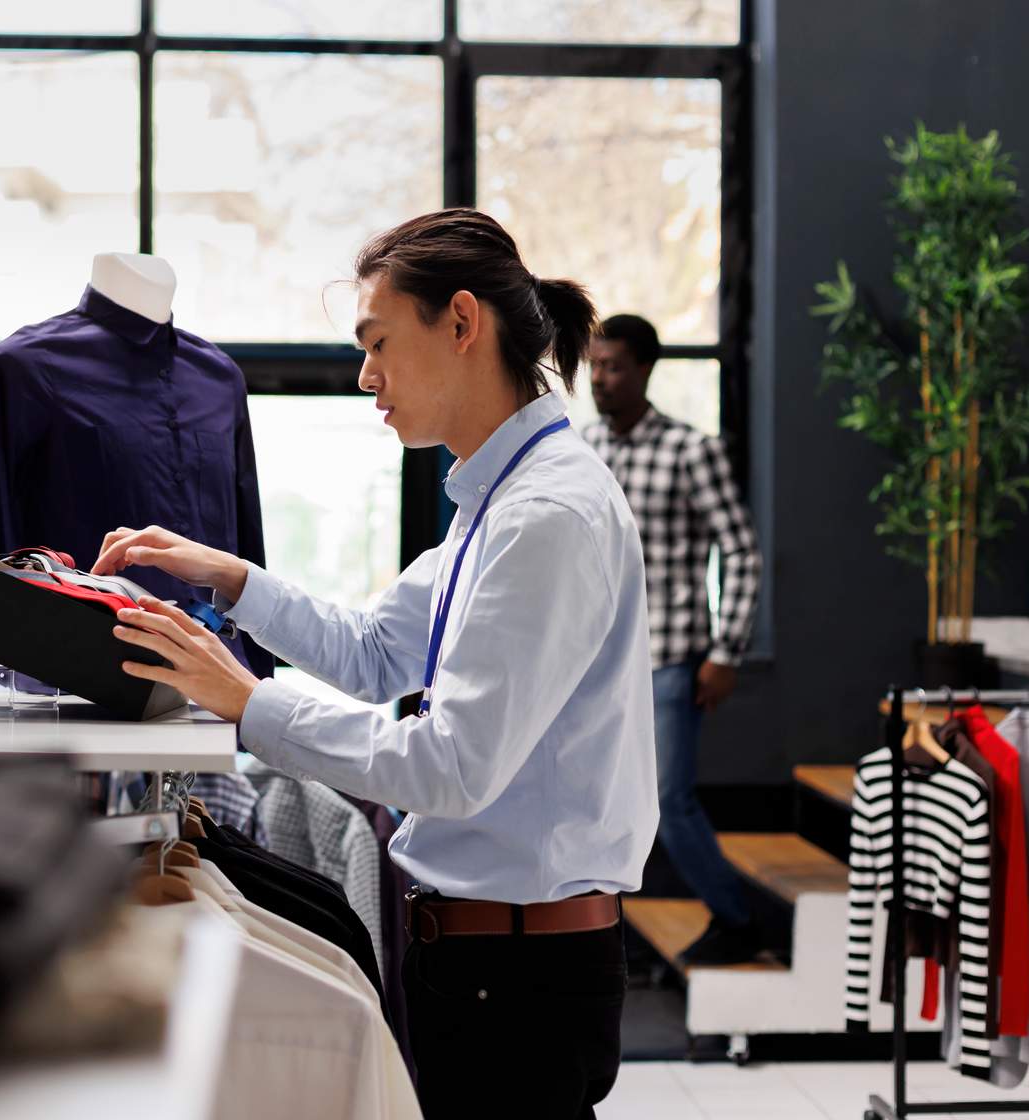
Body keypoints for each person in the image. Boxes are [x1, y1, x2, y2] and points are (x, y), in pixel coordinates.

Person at [96, 209, 656, 1120]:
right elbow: (376, 652)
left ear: (462, 324)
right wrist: (232, 579)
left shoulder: (545, 515)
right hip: (484, 961)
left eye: (379, 342)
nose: (366, 377)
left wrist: (247, 703)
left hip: (517, 976)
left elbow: (450, 766)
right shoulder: (497, 502)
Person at [584, 313, 764, 965]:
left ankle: (737, 917)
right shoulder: (582, 450)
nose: (600, 379)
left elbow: (742, 551)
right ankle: (599, 936)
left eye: (614, 367)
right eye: (594, 366)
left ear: (645, 370)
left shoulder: (692, 450)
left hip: (668, 659)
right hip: (595, 664)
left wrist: (725, 651)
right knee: (598, 799)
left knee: (667, 800)